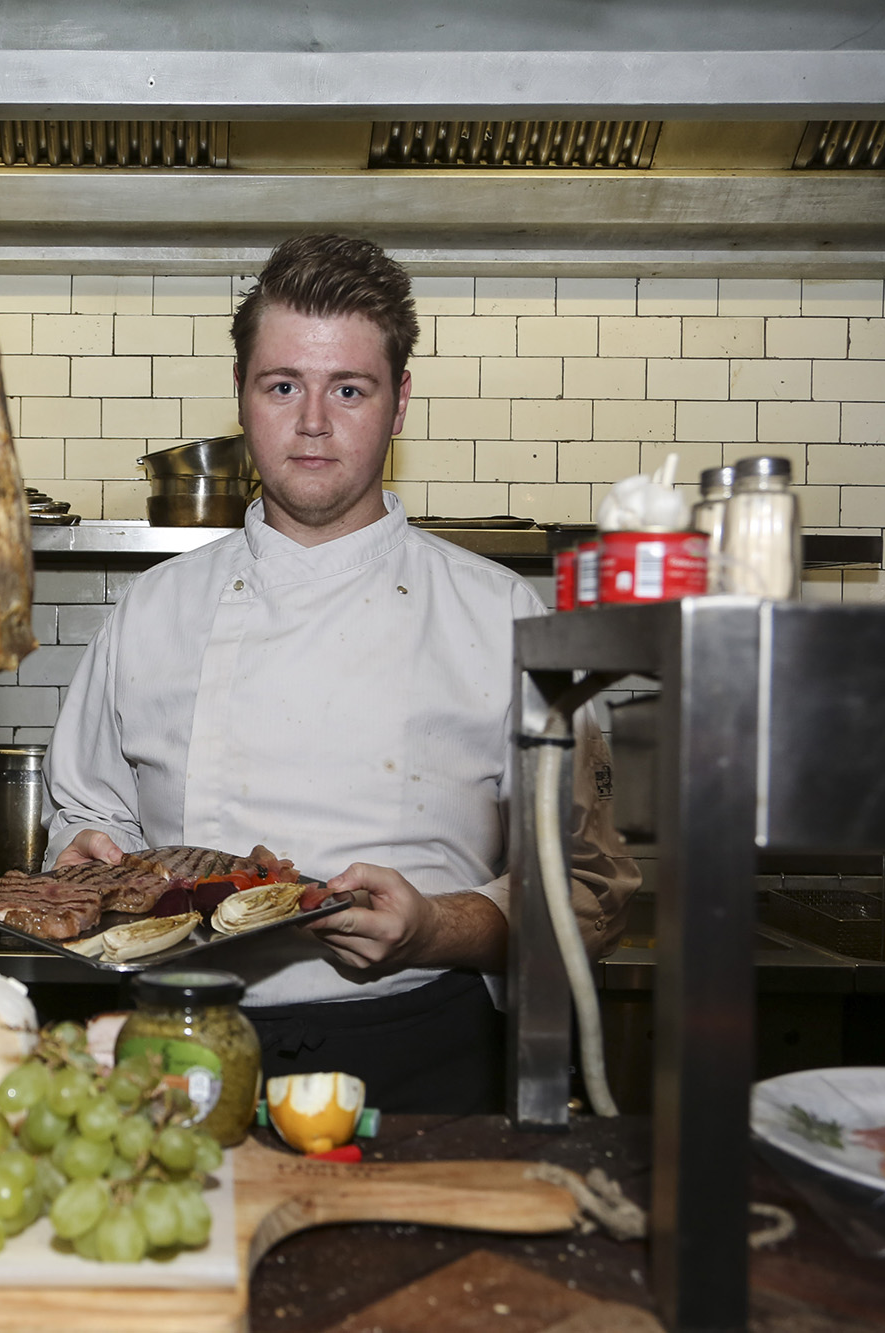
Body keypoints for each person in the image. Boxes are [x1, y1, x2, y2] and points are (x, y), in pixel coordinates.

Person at [42, 234, 638, 1114]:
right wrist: (83, 853)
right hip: (181, 1040)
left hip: (426, 1052)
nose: (313, 421)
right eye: (283, 386)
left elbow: (589, 886)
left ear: (399, 404)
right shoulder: (152, 609)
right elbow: (87, 813)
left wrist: (439, 926)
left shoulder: (505, 616)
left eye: (349, 389)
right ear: (242, 395)